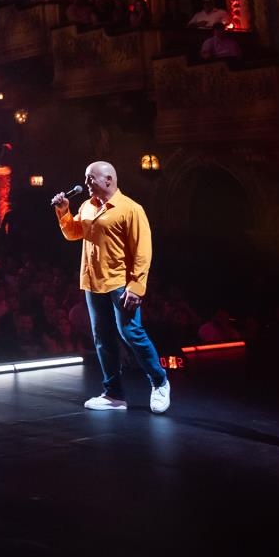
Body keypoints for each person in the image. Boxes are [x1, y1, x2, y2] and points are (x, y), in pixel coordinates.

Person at [52, 162, 170, 413]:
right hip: (93, 283)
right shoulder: (86, 206)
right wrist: (64, 212)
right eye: (85, 178)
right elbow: (74, 233)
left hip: (120, 284)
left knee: (131, 333)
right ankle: (113, 393)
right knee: (103, 339)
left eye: (90, 178)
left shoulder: (130, 209)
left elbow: (142, 251)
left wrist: (137, 286)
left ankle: (159, 381)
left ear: (108, 180)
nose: (85, 183)